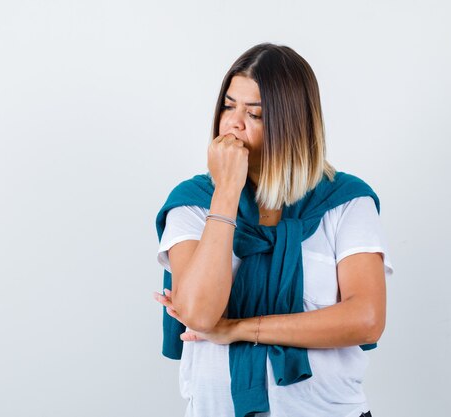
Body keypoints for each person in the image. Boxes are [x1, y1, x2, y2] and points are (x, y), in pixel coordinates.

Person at [153, 43, 394, 417]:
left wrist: (239, 329)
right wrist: (226, 193)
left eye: (255, 114)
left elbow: (366, 320)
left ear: (292, 124)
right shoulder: (194, 203)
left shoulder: (347, 201)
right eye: (228, 106)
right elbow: (199, 314)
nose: (234, 123)